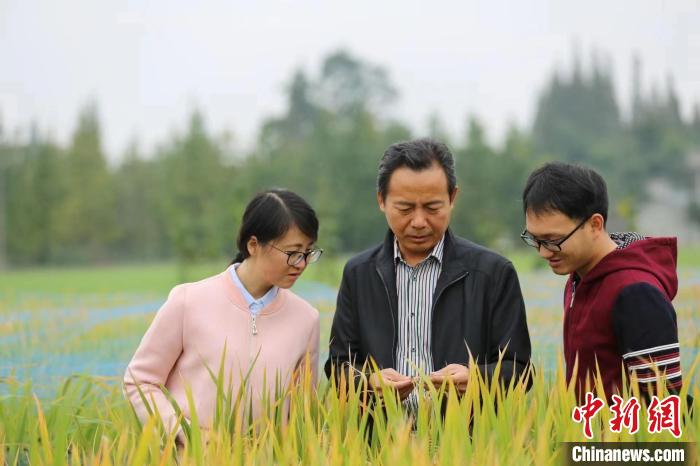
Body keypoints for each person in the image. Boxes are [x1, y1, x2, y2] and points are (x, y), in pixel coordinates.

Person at [325, 138, 532, 412]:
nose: (419, 221)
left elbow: (520, 370)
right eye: (405, 208)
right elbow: (340, 365)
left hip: (467, 446)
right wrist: (368, 382)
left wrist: (476, 378)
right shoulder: (359, 273)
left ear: (452, 198)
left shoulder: (493, 273)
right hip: (379, 445)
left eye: (433, 208)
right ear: (381, 201)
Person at [124, 189, 322, 440]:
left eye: (308, 252)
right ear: (253, 245)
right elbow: (139, 381)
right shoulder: (188, 302)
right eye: (292, 252)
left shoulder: (306, 319)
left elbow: (303, 413)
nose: (301, 263)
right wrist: (184, 433)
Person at [521, 162, 684, 400]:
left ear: (595, 224)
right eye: (534, 239)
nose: (543, 252)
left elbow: (661, 405)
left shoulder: (636, 292)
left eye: (552, 239)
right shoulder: (580, 276)